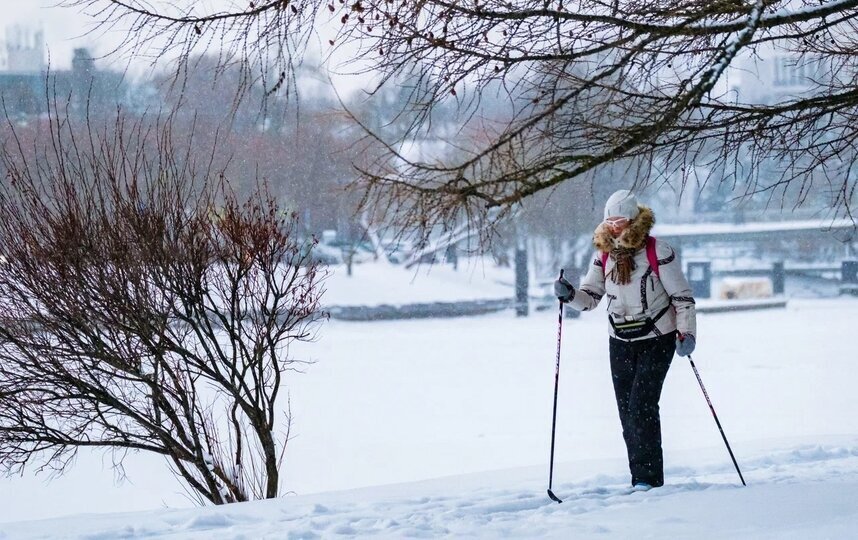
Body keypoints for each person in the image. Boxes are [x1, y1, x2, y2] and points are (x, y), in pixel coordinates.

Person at [554, 189, 697, 490]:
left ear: (634, 220)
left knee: (641, 406)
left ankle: (648, 479)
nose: (613, 227)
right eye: (609, 221)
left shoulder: (658, 252)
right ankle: (639, 478)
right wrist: (569, 295)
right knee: (626, 411)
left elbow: (682, 298)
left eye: (619, 221)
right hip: (619, 338)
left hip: (658, 336)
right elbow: (591, 298)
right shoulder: (603, 255)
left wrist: (687, 333)